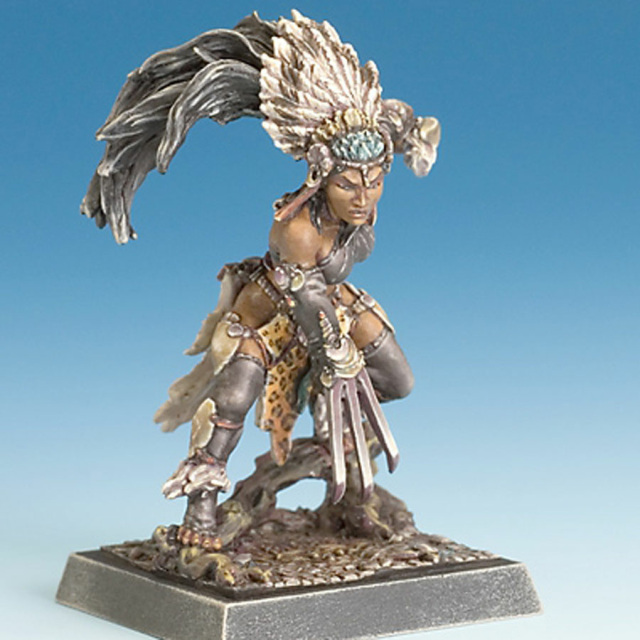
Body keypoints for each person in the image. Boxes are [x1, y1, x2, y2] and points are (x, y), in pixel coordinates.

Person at [81, 11, 440, 550]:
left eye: (375, 182)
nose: (363, 197)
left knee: (397, 380)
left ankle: (333, 456)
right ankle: (201, 512)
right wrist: (337, 358)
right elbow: (308, 299)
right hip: (270, 316)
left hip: (331, 303)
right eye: (348, 185)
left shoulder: (370, 151)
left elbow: (403, 122)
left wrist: (418, 139)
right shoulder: (297, 230)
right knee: (234, 399)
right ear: (321, 176)